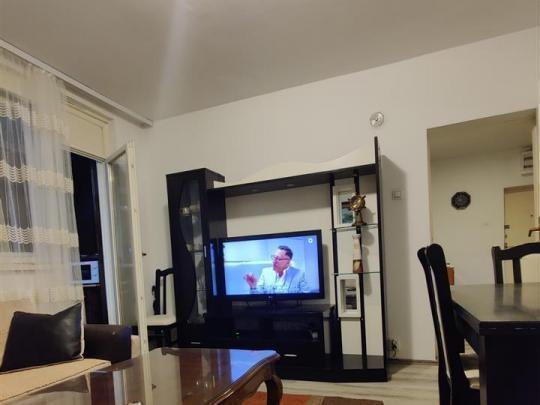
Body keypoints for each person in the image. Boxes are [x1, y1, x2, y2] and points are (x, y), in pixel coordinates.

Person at [244, 245, 308, 293]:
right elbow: (258, 297)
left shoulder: (299, 274)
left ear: (288, 262)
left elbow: (305, 295)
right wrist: (253, 286)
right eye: (274, 257)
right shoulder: (265, 272)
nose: (274, 261)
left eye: (279, 259)